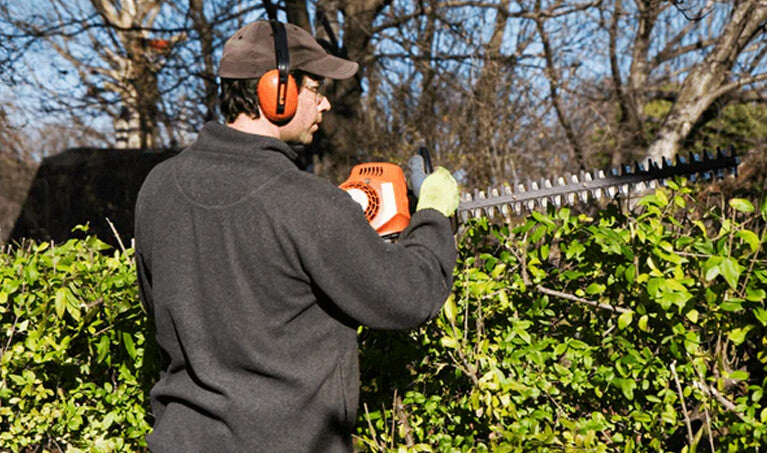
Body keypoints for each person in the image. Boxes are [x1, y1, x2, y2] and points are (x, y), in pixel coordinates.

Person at [134, 20, 460, 452]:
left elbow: (168, 304)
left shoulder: (158, 187)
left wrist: (342, 232)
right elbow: (408, 296)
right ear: (278, 90)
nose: (324, 104)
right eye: (315, 89)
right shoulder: (305, 202)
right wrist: (434, 216)